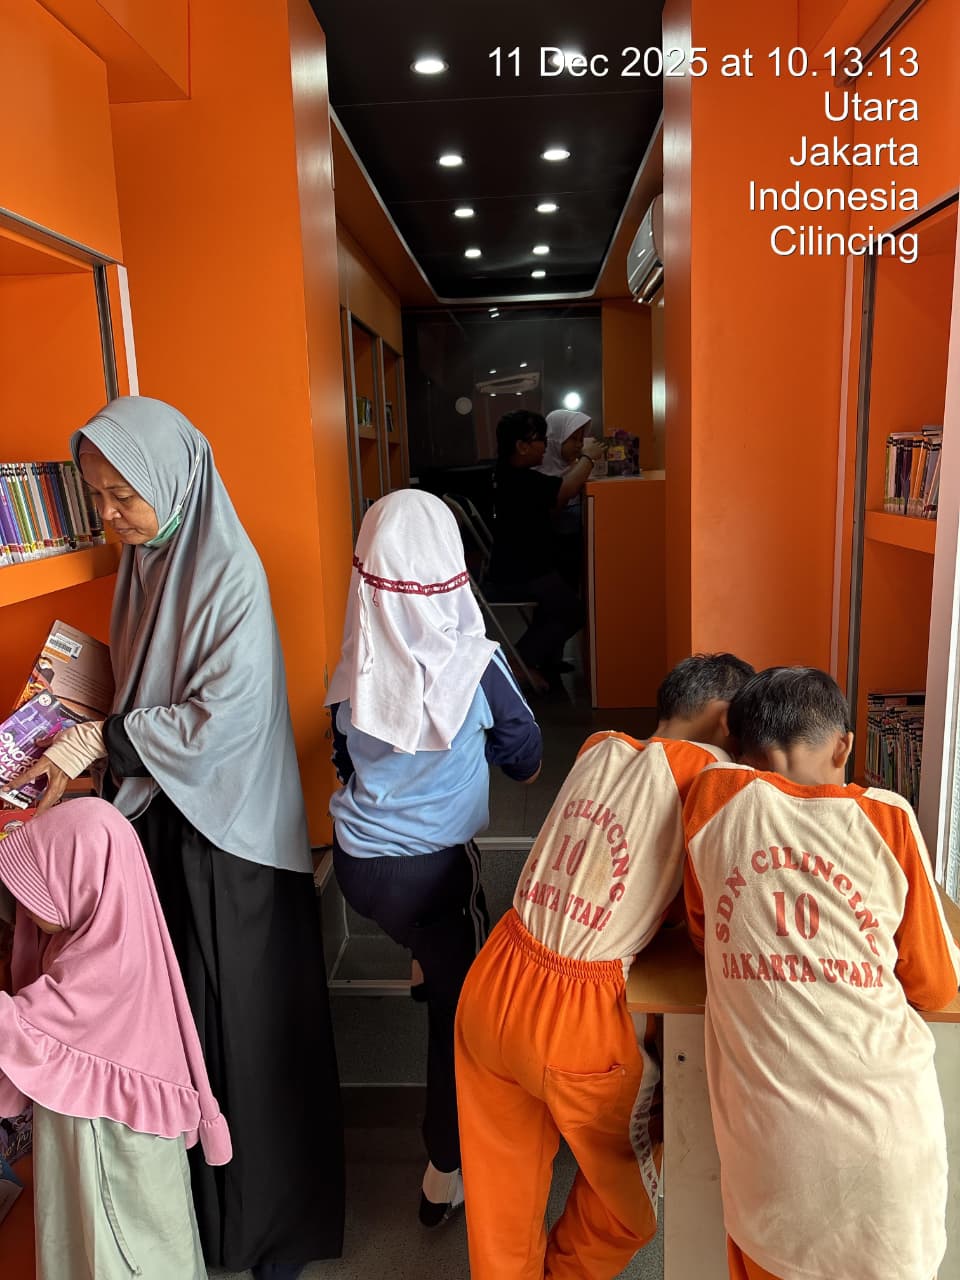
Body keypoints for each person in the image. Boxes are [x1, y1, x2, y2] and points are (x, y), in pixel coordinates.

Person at [10, 396, 344, 1280]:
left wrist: (104, 739)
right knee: (190, 1027)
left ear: (172, 480)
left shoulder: (225, 571)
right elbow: (139, 686)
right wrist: (85, 723)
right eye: (97, 497)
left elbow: (222, 721)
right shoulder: (148, 563)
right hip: (165, 820)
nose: (110, 515)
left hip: (231, 841)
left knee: (249, 1034)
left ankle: (274, 1237)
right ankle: (210, 1227)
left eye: (123, 495)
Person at [454, 652, 755, 1280]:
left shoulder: (599, 747)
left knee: (500, 1195)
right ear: (727, 720)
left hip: (495, 973)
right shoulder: (713, 774)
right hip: (575, 1020)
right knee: (625, 1209)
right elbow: (708, 913)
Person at [683, 667, 960, 1280]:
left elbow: (704, 936)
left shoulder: (713, 799)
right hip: (888, 1157)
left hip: (767, 1162)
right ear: (844, 746)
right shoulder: (887, 819)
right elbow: (937, 987)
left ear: (739, 746)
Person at [326, 489, 543, 1226]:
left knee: (429, 925)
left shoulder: (353, 662)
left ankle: (422, 959)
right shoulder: (476, 667)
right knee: (462, 1020)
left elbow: (341, 759)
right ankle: (444, 1167)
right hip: (435, 873)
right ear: (454, 566)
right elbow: (526, 761)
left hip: (357, 865)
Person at [0, 800, 232, 1280]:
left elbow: (24, 1028)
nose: (28, 903)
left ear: (84, 879)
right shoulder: (109, 933)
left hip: (108, 1145)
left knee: (118, 1254)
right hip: (107, 1140)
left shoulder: (102, 967)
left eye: (40, 885)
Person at [487, 410, 604, 690]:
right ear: (522, 446)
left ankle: (526, 661)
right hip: (520, 573)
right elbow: (564, 491)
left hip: (517, 566)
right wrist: (588, 458)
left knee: (558, 604)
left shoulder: (506, 474)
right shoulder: (519, 480)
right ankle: (516, 663)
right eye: (540, 439)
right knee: (574, 612)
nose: (545, 446)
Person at [535, 408, 593, 590]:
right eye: (573, 439)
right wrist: (588, 459)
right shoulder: (538, 472)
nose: (579, 445)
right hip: (554, 553)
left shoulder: (570, 466)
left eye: (581, 439)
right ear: (554, 440)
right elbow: (563, 494)